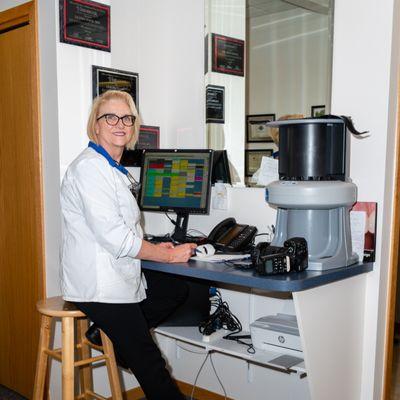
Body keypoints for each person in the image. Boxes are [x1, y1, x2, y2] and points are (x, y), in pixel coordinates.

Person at [60, 90, 197, 400]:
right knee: (150, 362)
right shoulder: (90, 169)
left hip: (115, 273)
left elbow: (120, 228)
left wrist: (159, 251)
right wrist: (169, 255)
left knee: (175, 290)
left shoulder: (110, 168)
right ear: (95, 125)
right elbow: (116, 237)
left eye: (126, 118)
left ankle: (114, 337)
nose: (119, 124)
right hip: (98, 285)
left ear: (134, 126)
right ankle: (130, 346)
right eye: (110, 117)